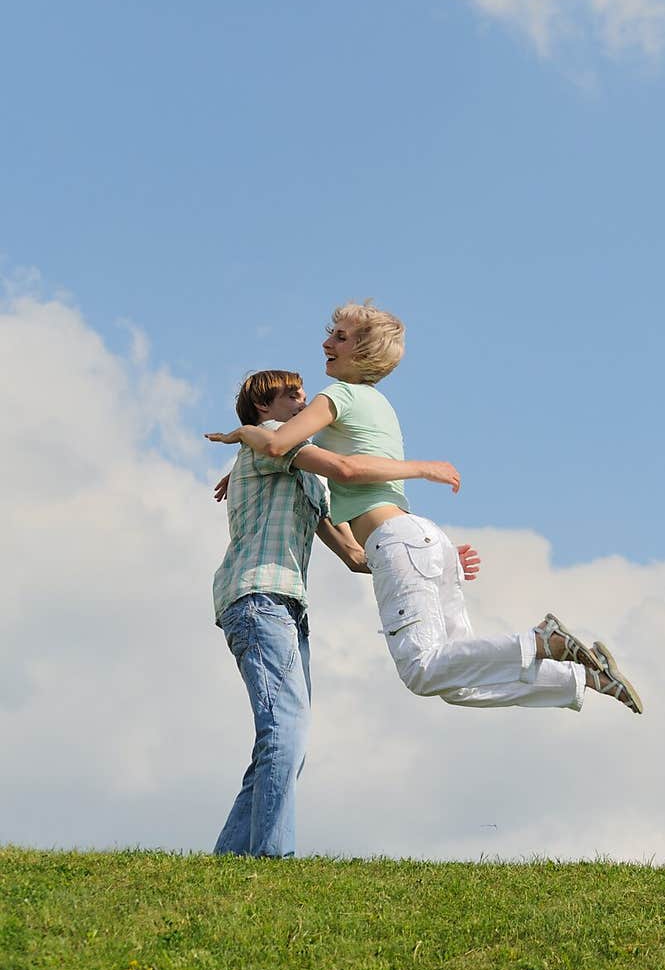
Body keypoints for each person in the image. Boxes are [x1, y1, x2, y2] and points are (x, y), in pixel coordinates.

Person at [206, 307, 642, 719]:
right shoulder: (376, 405)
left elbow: (299, 450)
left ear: (360, 353)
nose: (326, 342)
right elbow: (302, 458)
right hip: (419, 543)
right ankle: (579, 679)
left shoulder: (337, 394)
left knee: (421, 671)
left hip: (397, 542)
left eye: (339, 337)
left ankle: (541, 641)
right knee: (458, 681)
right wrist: (251, 465)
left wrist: (243, 434)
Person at [210, 367, 479, 859]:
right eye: (289, 397)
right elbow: (348, 468)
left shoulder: (303, 477)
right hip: (258, 598)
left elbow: (357, 557)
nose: (301, 401)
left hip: (285, 606)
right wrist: (423, 468)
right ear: (264, 411)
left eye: (301, 393)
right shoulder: (271, 440)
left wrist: (431, 564)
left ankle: (231, 861)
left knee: (285, 739)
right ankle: (272, 862)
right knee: (284, 734)